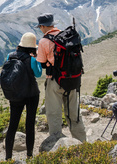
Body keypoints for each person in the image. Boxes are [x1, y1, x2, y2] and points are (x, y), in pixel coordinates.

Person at [35, 13, 87, 142]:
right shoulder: (67, 37)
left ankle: (57, 143)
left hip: (54, 81)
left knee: (54, 113)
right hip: (73, 80)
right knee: (74, 114)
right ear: (53, 24)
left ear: (42, 26)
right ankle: (82, 142)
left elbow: (41, 63)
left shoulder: (44, 41)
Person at [5, 32, 42, 160]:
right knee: (29, 124)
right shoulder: (31, 59)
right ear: (32, 47)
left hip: (15, 95)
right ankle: (29, 155)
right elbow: (38, 74)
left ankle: (8, 157)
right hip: (31, 94)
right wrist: (36, 59)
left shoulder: (10, 56)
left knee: (12, 125)